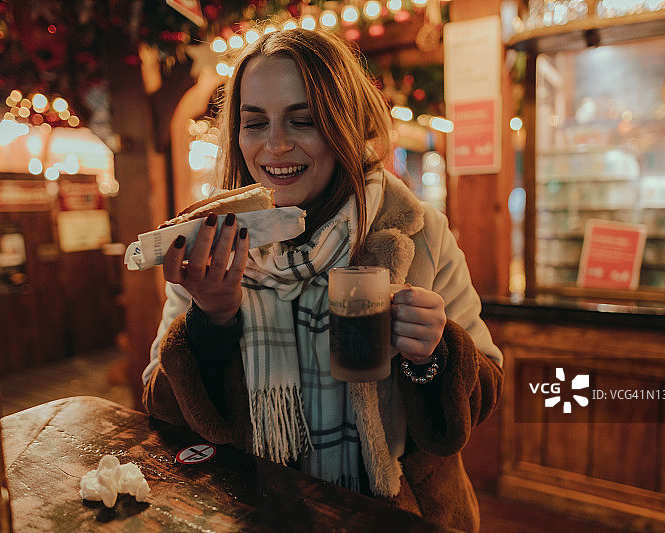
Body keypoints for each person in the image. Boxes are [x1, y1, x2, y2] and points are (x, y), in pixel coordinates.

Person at [142, 27, 503, 533]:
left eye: (303, 120)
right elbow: (162, 413)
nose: (275, 145)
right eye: (255, 123)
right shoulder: (213, 244)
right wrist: (212, 321)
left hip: (395, 516)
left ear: (346, 125)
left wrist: (434, 356)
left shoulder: (415, 231)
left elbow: (485, 392)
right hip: (257, 513)